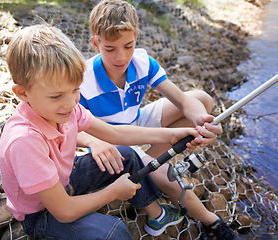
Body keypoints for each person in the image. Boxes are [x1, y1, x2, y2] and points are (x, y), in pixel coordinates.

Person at [0, 24, 203, 240]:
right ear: (23, 92)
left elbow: (115, 134)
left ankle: (156, 215)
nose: (70, 103)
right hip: (41, 213)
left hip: (64, 180)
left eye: (75, 89)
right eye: (56, 96)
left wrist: (172, 135)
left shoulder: (64, 109)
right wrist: (113, 192)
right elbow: (64, 211)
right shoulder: (25, 141)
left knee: (127, 154)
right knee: (112, 231)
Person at [78, 0, 238, 239]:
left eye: (128, 46)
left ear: (136, 37)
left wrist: (202, 120)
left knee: (202, 99)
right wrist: (94, 143)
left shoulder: (142, 62)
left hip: (136, 121)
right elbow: (69, 125)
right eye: (110, 49)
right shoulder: (83, 78)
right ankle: (212, 222)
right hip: (112, 141)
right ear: (95, 42)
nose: (120, 57)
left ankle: (151, 161)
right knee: (168, 178)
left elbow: (183, 101)